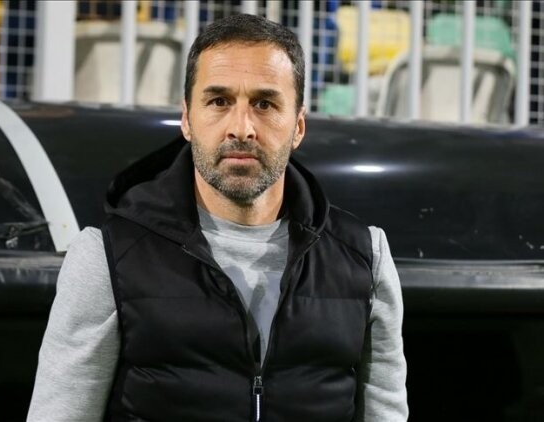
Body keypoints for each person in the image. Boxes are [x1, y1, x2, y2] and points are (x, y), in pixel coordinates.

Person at [28, 13, 407, 422]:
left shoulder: (365, 256)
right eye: (219, 101)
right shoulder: (106, 257)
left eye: (264, 104)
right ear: (187, 120)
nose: (241, 128)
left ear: (298, 126)